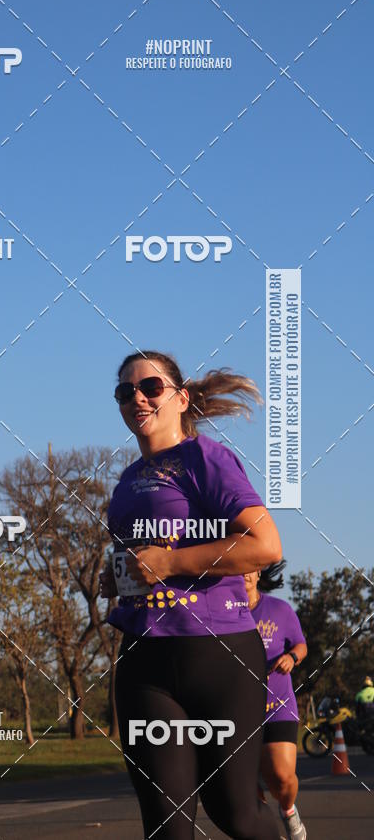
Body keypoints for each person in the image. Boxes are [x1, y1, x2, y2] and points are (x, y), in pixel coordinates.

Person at [99, 351, 282, 840]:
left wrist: (172, 562)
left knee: (237, 815)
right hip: (144, 663)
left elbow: (265, 545)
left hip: (220, 656)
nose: (136, 397)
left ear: (180, 398)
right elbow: (142, 557)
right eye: (125, 391)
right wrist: (116, 576)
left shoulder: (206, 458)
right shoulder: (126, 481)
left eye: (150, 387)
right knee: (167, 827)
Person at [244, 561, 308, 840]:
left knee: (281, 777)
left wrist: (292, 657)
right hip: (238, 712)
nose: (244, 574)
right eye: (238, 568)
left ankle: (288, 810)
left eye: (250, 568)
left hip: (277, 707)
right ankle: (267, 831)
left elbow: (301, 645)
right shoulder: (222, 614)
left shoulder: (279, 610)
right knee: (245, 787)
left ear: (259, 572)